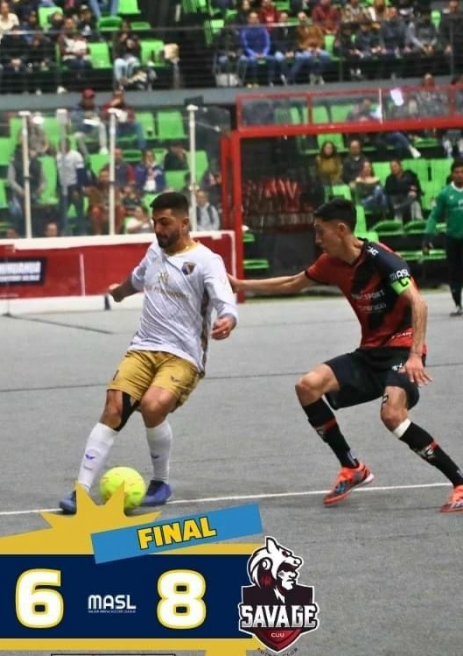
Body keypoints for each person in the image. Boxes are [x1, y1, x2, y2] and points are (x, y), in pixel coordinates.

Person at [229, 198, 463, 513]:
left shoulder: (382, 259)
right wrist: (239, 284)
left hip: (402, 348)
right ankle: (352, 467)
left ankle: (459, 482)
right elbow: (292, 282)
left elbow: (418, 304)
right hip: (369, 352)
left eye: (320, 231)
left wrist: (415, 356)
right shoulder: (330, 263)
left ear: (341, 230)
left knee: (392, 416)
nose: (317, 239)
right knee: (307, 386)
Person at [59, 192, 238, 513]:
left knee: (153, 406)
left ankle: (160, 482)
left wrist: (228, 318)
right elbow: (136, 279)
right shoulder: (154, 252)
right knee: (114, 407)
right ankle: (80, 491)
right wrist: (119, 292)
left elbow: (225, 299)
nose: (158, 229)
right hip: (143, 348)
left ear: (185, 223)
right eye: (155, 222)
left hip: (183, 355)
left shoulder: (207, 261)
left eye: (165, 222)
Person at [423, 160, 463, 317]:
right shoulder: (445, 194)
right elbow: (434, 216)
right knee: (454, 272)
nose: (460, 175)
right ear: (452, 174)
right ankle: (458, 304)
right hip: (452, 238)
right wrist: (427, 236)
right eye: (457, 172)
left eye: (462, 172)